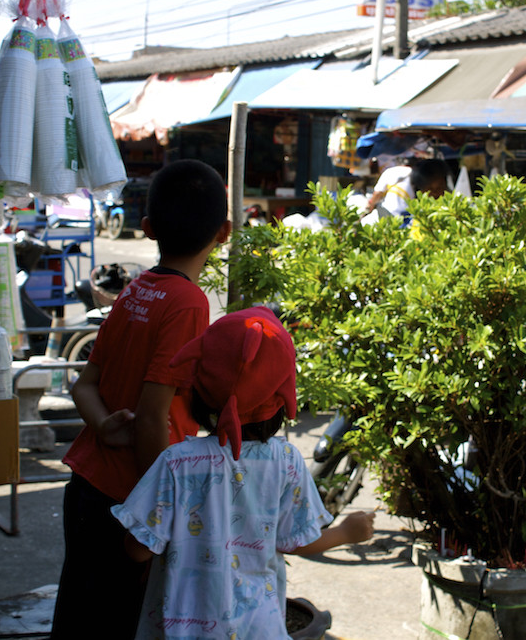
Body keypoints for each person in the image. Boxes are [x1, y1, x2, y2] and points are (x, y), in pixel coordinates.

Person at [112, 306, 375, 639]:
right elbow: (294, 540)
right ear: (282, 397)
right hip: (259, 629)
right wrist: (347, 533)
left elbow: (137, 549)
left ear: (198, 389)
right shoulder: (287, 461)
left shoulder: (176, 463)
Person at [50, 159, 232, 639]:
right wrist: (163, 514)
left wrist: (105, 425)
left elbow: (82, 385)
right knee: (121, 623)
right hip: (130, 500)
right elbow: (152, 420)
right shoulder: (188, 302)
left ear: (147, 227)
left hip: (88, 484)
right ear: (226, 231)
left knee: (77, 619)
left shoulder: (136, 289)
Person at [364, 158, 449, 222]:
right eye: (431, 189)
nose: (435, 193)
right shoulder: (397, 173)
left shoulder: (393, 172)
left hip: (396, 220)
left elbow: (377, 195)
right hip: (390, 218)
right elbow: (377, 194)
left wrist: (368, 208)